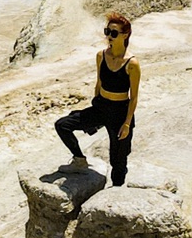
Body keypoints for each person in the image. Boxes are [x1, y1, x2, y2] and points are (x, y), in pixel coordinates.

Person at [56, 12, 140, 185]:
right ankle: (79, 160)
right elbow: (99, 83)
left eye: (114, 33)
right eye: (107, 31)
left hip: (120, 113)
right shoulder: (101, 56)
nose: (109, 36)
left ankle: (116, 191)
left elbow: (134, 97)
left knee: (118, 160)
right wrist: (95, 109)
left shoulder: (132, 64)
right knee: (63, 125)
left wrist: (126, 124)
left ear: (125, 35)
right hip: (101, 107)